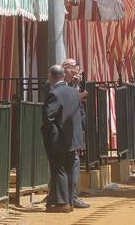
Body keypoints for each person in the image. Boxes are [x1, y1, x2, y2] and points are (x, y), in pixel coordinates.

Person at [41, 64, 83, 212]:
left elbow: (48, 117)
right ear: (63, 76)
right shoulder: (74, 92)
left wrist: (47, 132)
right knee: (71, 169)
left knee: (59, 169)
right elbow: (80, 115)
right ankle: (70, 201)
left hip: (58, 138)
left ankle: (62, 203)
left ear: (51, 77)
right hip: (73, 138)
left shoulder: (54, 93)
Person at [60, 58, 89, 209]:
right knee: (70, 163)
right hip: (65, 130)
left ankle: (69, 196)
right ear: (65, 69)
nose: (76, 73)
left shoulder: (74, 85)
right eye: (73, 69)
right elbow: (64, 101)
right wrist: (78, 94)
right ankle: (70, 197)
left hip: (75, 127)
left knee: (73, 162)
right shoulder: (59, 85)